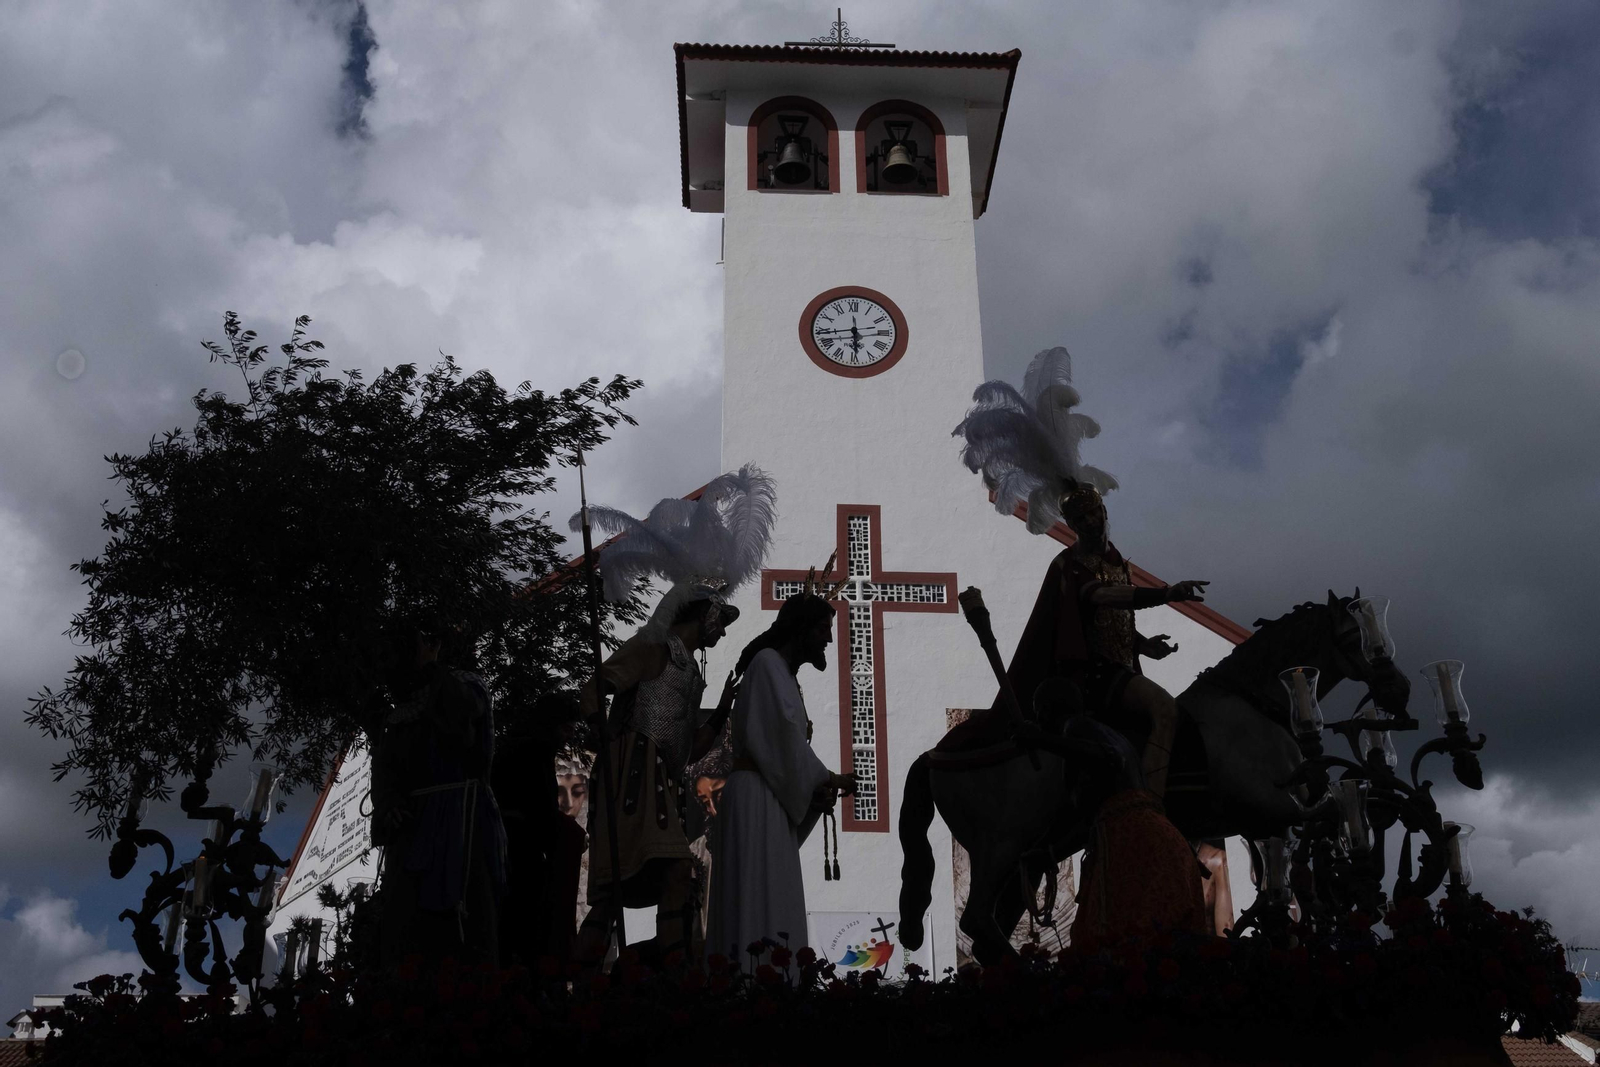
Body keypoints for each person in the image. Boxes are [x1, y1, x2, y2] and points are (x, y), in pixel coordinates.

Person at [948, 347, 1208, 799]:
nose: (1094, 522)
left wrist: (1143, 642)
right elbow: (1098, 601)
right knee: (1164, 710)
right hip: (1091, 677)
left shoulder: (1114, 560)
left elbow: (1108, 622)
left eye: (1098, 514)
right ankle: (1148, 805)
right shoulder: (1070, 564)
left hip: (1120, 665)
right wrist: (1164, 595)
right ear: (1074, 524)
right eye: (1085, 518)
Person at [569, 466, 778, 969]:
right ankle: (670, 967)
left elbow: (690, 746)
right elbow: (596, 688)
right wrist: (605, 734)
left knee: (636, 888)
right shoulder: (653, 647)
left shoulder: (688, 671)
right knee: (672, 875)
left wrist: (724, 709)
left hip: (658, 776)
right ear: (699, 613)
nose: (722, 631)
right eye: (719, 620)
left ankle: (642, 965)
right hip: (632, 773)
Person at [705, 592, 857, 966]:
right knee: (758, 894)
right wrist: (828, 778)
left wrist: (815, 789)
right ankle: (752, 985)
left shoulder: (780, 671)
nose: (829, 639)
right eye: (823, 629)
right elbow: (785, 737)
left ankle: (770, 983)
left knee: (775, 892)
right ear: (800, 628)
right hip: (757, 794)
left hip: (768, 793)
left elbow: (786, 745)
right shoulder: (768, 663)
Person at [367, 618, 507, 966]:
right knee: (407, 923)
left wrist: (433, 671)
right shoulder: (399, 710)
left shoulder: (463, 685)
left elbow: (461, 733)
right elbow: (386, 769)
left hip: (458, 815)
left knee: (463, 912)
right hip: (414, 826)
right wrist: (389, 804)